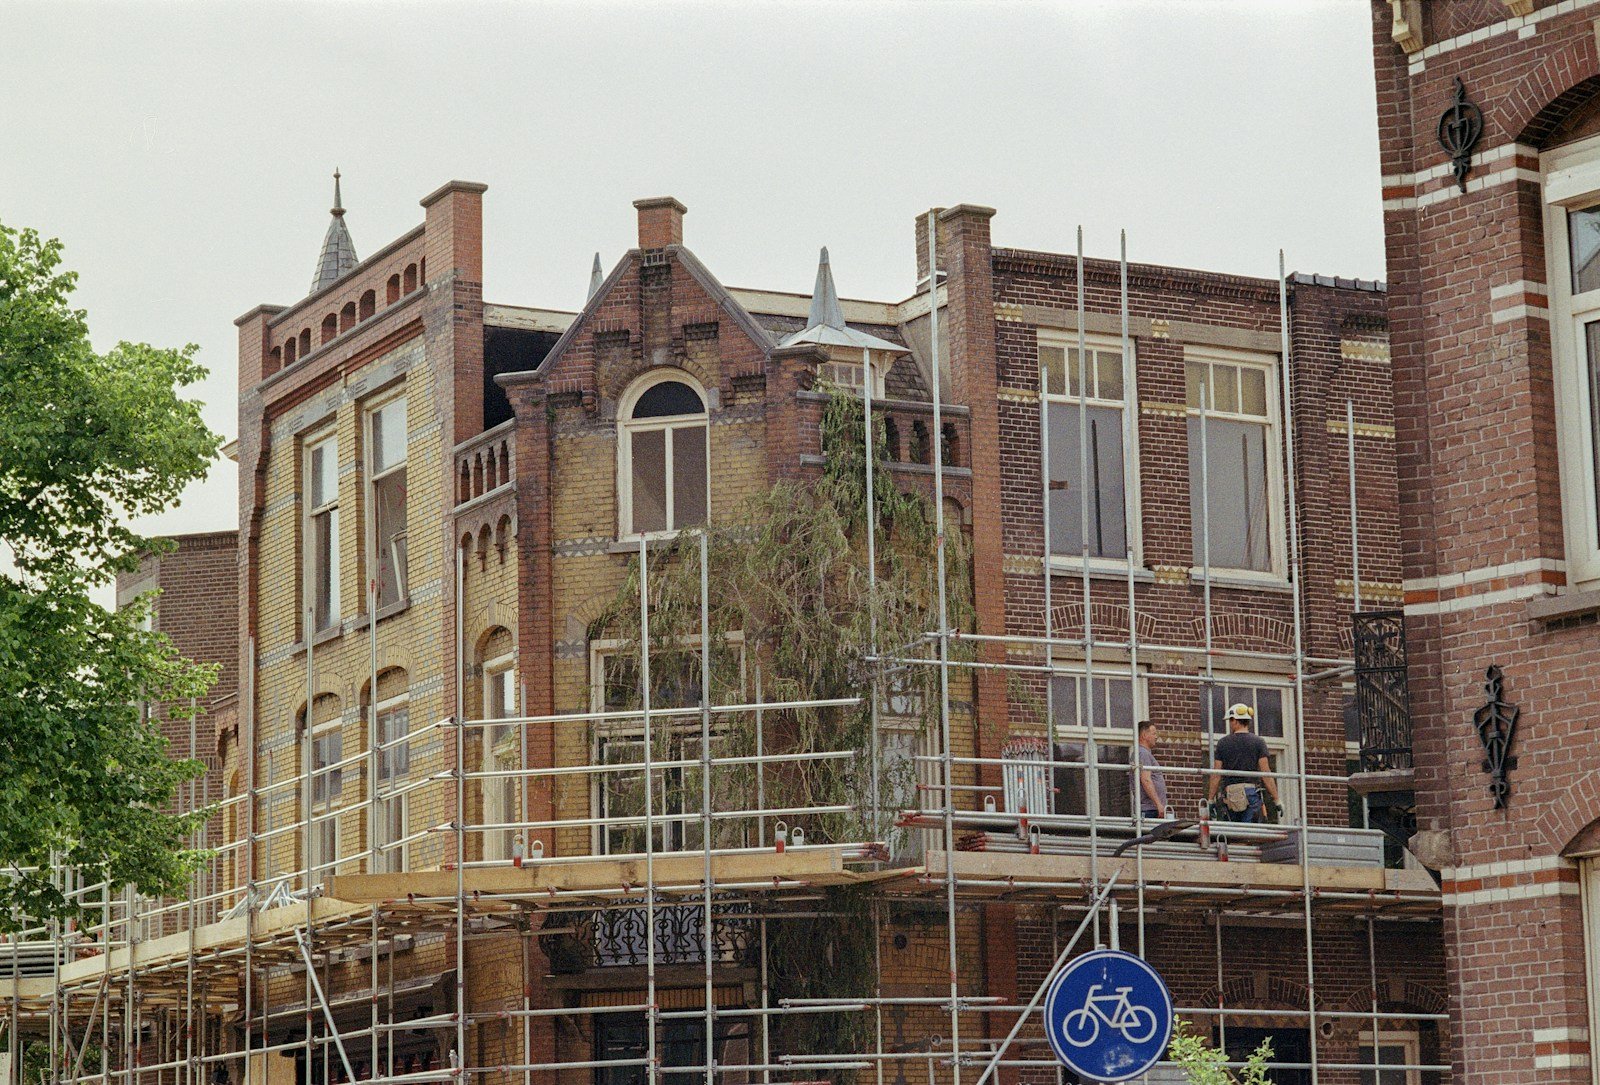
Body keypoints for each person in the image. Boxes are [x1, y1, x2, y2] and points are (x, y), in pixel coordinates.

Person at [1206, 703, 1279, 823]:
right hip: (1251, 793)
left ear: (1235, 721)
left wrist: (1210, 800)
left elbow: (1216, 775)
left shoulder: (1223, 743)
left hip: (1230, 794)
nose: (1230, 723)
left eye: (1230, 720)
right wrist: (1277, 800)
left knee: (1233, 835)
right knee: (1252, 834)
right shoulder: (1258, 742)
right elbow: (1266, 773)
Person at [1135, 720, 1167, 821]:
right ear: (1144, 735)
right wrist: (1158, 804)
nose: (1156, 737)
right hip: (1150, 810)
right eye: (1153, 733)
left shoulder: (1142, 753)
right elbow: (1146, 779)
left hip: (1150, 809)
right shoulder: (1143, 754)